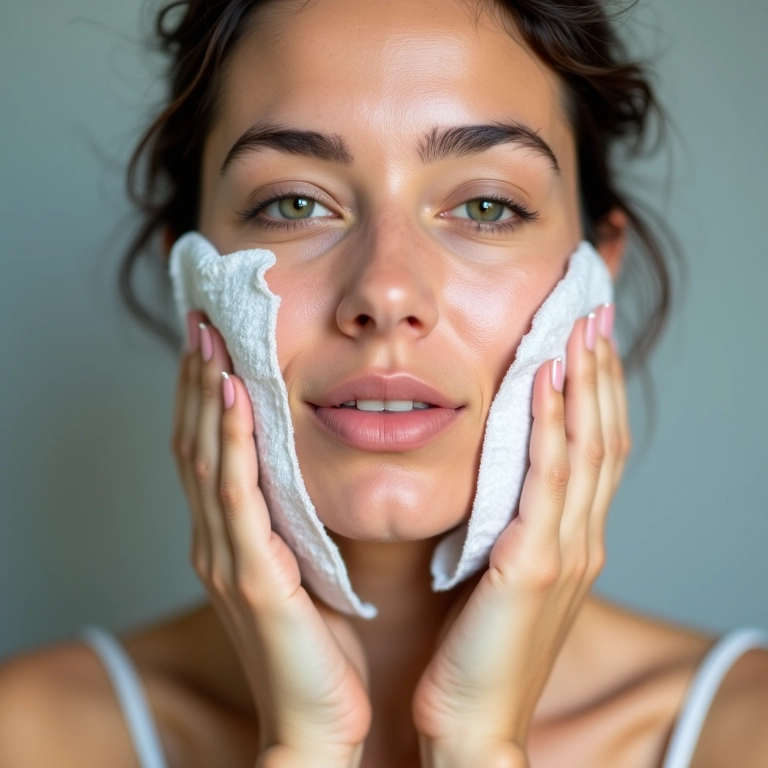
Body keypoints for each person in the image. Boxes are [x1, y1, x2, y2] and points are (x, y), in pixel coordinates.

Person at [1, 0, 766, 766]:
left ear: (599, 265)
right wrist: (305, 749)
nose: (386, 291)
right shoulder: (29, 735)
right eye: (294, 204)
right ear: (190, 276)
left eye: (486, 206)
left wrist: (479, 745)